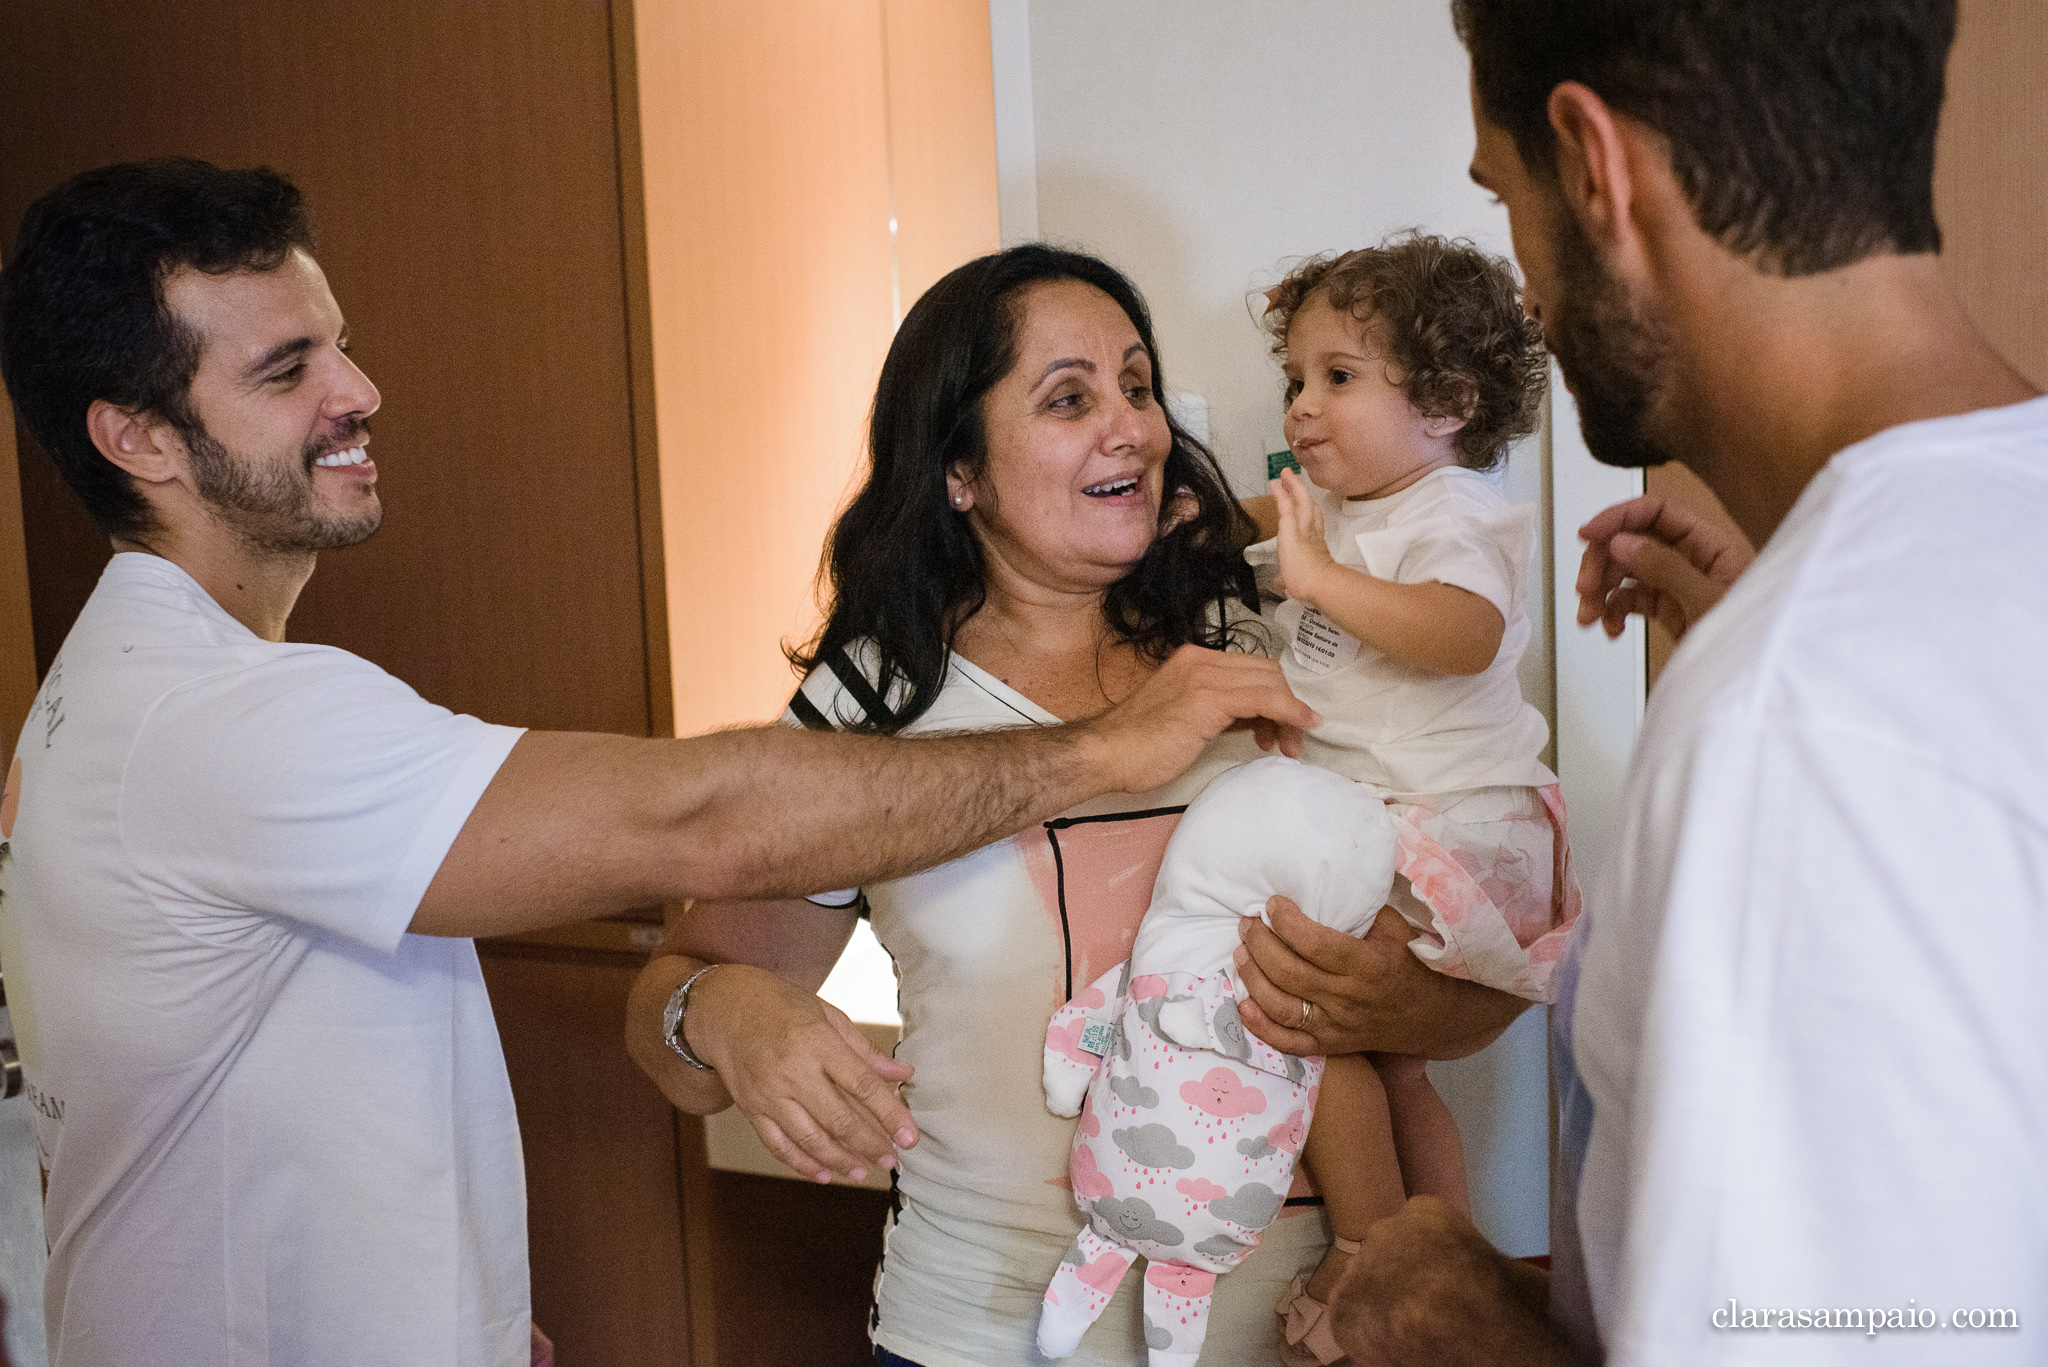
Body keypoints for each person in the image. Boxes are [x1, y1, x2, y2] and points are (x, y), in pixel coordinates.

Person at [0, 161, 1317, 1367]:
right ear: (141, 438)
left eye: (339, 345)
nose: (360, 390)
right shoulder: (220, 725)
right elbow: (700, 825)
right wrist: (734, 1008)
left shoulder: (147, 701)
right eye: (290, 369)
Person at [625, 243, 1528, 1367]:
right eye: (1069, 397)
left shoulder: (1268, 626)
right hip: (978, 1333)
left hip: (1306, 1338)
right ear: (960, 469)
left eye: (1138, 387)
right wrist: (729, 1016)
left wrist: (1390, 1001)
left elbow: (1481, 992)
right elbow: (668, 1014)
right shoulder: (872, 693)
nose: (1134, 429)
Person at [1305, 2, 2048, 1363]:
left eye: (1505, 196)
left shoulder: (1802, 721)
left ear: (1593, 165)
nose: (1525, 288)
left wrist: (1458, 1318)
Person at [1228, 235, 1576, 1364]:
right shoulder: (1340, 507)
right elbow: (1256, 525)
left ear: (1446, 404)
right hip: (1421, 827)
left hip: (1458, 826)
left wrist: (1319, 576)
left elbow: (1462, 632)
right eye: (1295, 378)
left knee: (1302, 1018)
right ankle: (1448, 1258)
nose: (1303, 405)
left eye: (1338, 376)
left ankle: (1366, 1251)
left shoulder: (1450, 510)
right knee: (1390, 1062)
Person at [1035, 756, 1397, 1367]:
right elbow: (1100, 1009)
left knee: (1364, 1084)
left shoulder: (1287, 989)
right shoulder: (1171, 954)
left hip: (1253, 1261)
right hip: (969, 1297)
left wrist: (1067, 1073)